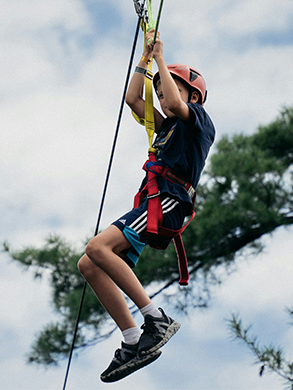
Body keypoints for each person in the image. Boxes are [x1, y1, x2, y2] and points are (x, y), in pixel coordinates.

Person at [77, 28, 216, 382]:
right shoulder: (166, 127)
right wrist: (144, 59)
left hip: (170, 201)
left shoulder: (198, 122)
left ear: (193, 96)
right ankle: (133, 338)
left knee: (98, 247)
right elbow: (132, 99)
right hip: (154, 202)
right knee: (89, 263)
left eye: (172, 85)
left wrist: (161, 60)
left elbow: (172, 103)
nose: (164, 89)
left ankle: (156, 318)